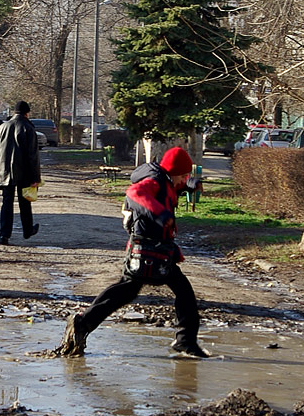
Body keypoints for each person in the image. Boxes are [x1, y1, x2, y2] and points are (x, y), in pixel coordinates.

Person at [56, 146, 208, 358]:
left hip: (154, 250)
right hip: (148, 250)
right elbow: (135, 193)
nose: (184, 180)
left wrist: (191, 184)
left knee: (127, 291)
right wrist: (160, 215)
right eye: (183, 176)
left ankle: (83, 324)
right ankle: (185, 341)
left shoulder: (164, 178)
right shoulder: (154, 180)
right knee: (176, 292)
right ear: (173, 172)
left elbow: (173, 188)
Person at [0, 100, 41, 245]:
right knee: (25, 202)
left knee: (7, 203)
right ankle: (27, 229)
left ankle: (4, 235)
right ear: (27, 113)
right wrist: (35, 177)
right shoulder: (28, 128)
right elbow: (33, 156)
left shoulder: (2, 127)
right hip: (24, 172)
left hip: (4, 172)